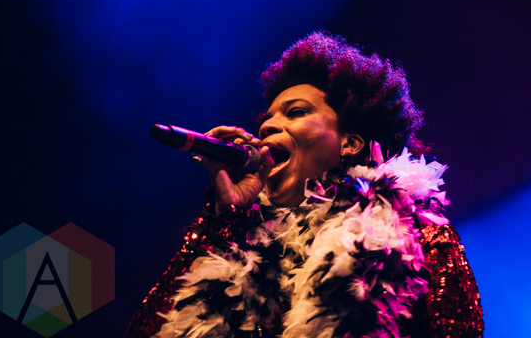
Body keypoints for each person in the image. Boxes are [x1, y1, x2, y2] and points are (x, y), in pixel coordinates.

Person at [126, 32, 484, 338]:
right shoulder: (240, 243)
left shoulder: (416, 236)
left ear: (350, 143)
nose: (266, 127)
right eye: (267, 119)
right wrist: (221, 223)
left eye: (295, 112)